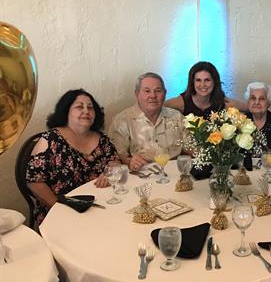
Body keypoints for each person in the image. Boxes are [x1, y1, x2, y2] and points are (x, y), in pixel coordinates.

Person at [26, 89, 118, 226]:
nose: (86, 111)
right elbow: (34, 182)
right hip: (60, 214)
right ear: (66, 111)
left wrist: (109, 173)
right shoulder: (51, 139)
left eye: (90, 107)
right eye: (79, 107)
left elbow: (115, 161)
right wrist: (59, 208)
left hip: (98, 208)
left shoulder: (102, 139)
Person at [109, 72, 185, 172]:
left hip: (175, 172)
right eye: (147, 91)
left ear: (165, 93)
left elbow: (190, 147)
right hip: (141, 174)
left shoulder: (177, 117)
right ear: (137, 94)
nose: (153, 95)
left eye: (158, 91)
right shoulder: (122, 120)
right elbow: (115, 156)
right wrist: (129, 161)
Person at [165, 61, 245, 118]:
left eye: (207, 80)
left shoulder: (222, 102)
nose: (203, 85)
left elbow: (248, 108)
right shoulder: (182, 101)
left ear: (214, 81)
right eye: (198, 80)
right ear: (192, 82)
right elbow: (160, 107)